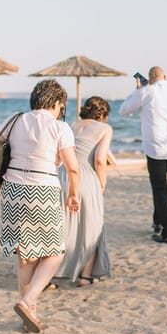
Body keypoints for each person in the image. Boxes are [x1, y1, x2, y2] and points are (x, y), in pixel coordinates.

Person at [0, 79, 81, 333]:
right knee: (55, 251)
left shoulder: (14, 119)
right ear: (56, 103)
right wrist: (73, 194)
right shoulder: (59, 127)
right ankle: (27, 301)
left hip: (12, 189)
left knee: (25, 256)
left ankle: (29, 315)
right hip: (42, 189)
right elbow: (73, 167)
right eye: (61, 107)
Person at [119, 66, 167, 245]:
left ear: (150, 79)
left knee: (159, 187)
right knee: (159, 183)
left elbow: (124, 110)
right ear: (165, 77)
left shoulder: (146, 92)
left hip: (155, 150)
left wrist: (136, 91)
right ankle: (157, 221)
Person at [55, 96, 113, 286]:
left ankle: (55, 273)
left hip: (64, 175)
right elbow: (99, 159)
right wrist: (102, 183)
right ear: (103, 113)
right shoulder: (105, 129)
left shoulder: (72, 124)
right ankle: (85, 276)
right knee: (92, 225)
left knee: (66, 226)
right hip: (87, 177)